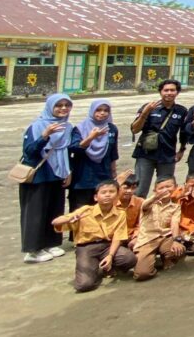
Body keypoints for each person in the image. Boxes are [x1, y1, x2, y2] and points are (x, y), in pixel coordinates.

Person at [20, 94, 77, 263]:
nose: (63, 108)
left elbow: (68, 152)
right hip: (38, 175)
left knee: (55, 209)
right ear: (50, 107)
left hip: (58, 174)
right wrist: (44, 135)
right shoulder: (36, 126)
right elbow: (29, 152)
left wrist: (69, 171)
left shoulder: (67, 127)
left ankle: (51, 243)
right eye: (59, 105)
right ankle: (32, 250)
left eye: (67, 105)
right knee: (35, 212)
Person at [51, 179, 136, 291]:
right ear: (96, 197)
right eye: (104, 192)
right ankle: (95, 269)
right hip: (86, 248)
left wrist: (110, 256)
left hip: (107, 246)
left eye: (112, 192)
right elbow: (55, 222)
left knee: (129, 259)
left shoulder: (120, 214)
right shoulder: (85, 211)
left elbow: (118, 237)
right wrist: (71, 219)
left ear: (117, 196)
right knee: (84, 285)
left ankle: (109, 265)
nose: (108, 195)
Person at [130, 80, 188, 197]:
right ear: (160, 92)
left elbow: (184, 133)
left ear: (177, 92)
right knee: (140, 189)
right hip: (145, 154)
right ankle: (138, 213)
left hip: (167, 155)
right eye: (166, 90)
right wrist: (145, 113)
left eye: (172, 90)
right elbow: (134, 129)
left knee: (166, 190)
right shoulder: (149, 107)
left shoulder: (181, 111)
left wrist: (181, 150)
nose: (169, 93)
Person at [69, 98, 119, 211]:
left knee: (101, 212)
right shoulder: (80, 128)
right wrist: (91, 137)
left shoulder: (111, 129)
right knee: (80, 214)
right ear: (92, 111)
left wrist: (113, 173)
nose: (102, 113)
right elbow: (75, 149)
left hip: (103, 177)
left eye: (106, 110)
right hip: (83, 178)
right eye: (98, 110)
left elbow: (113, 153)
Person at [132, 176, 185, 281]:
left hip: (165, 238)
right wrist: (155, 198)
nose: (165, 190)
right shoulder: (149, 203)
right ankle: (150, 261)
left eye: (168, 186)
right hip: (148, 240)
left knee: (179, 249)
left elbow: (174, 224)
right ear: (155, 190)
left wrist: (176, 240)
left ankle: (167, 259)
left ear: (175, 187)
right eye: (161, 188)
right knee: (142, 274)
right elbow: (145, 206)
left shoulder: (175, 207)